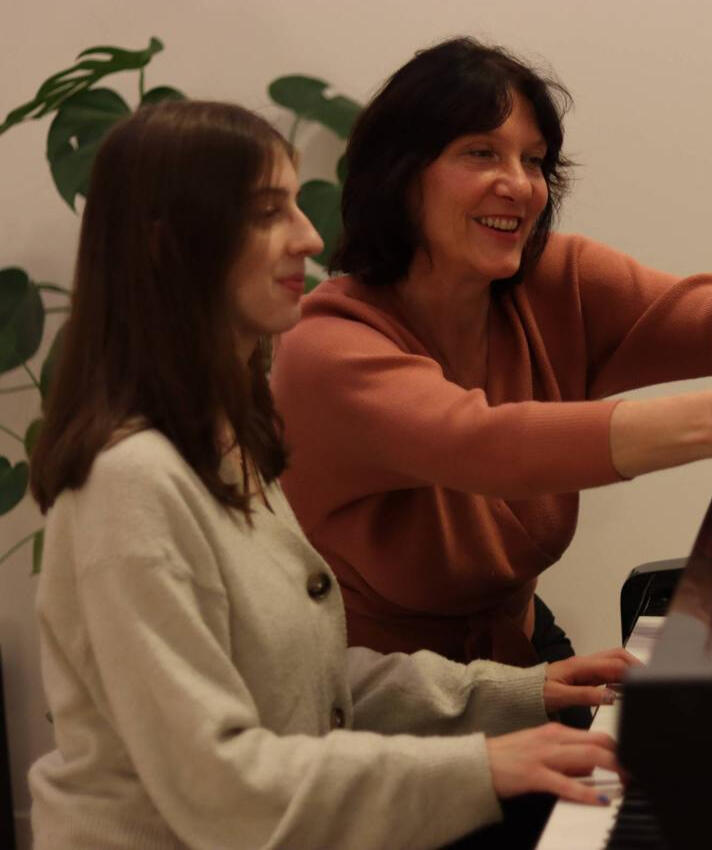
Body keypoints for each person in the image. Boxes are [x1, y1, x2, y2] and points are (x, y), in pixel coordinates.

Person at [26, 99, 633, 850]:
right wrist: (480, 769)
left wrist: (521, 691)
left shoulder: (225, 447)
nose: (310, 237)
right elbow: (221, 786)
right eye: (267, 212)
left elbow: (308, 689)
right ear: (167, 245)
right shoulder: (129, 484)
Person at [271, 37, 712, 675]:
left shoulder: (553, 281)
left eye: (533, 161)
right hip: (374, 702)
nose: (519, 185)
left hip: (522, 663)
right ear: (400, 173)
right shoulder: (327, 346)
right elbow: (482, 444)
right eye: (481, 153)